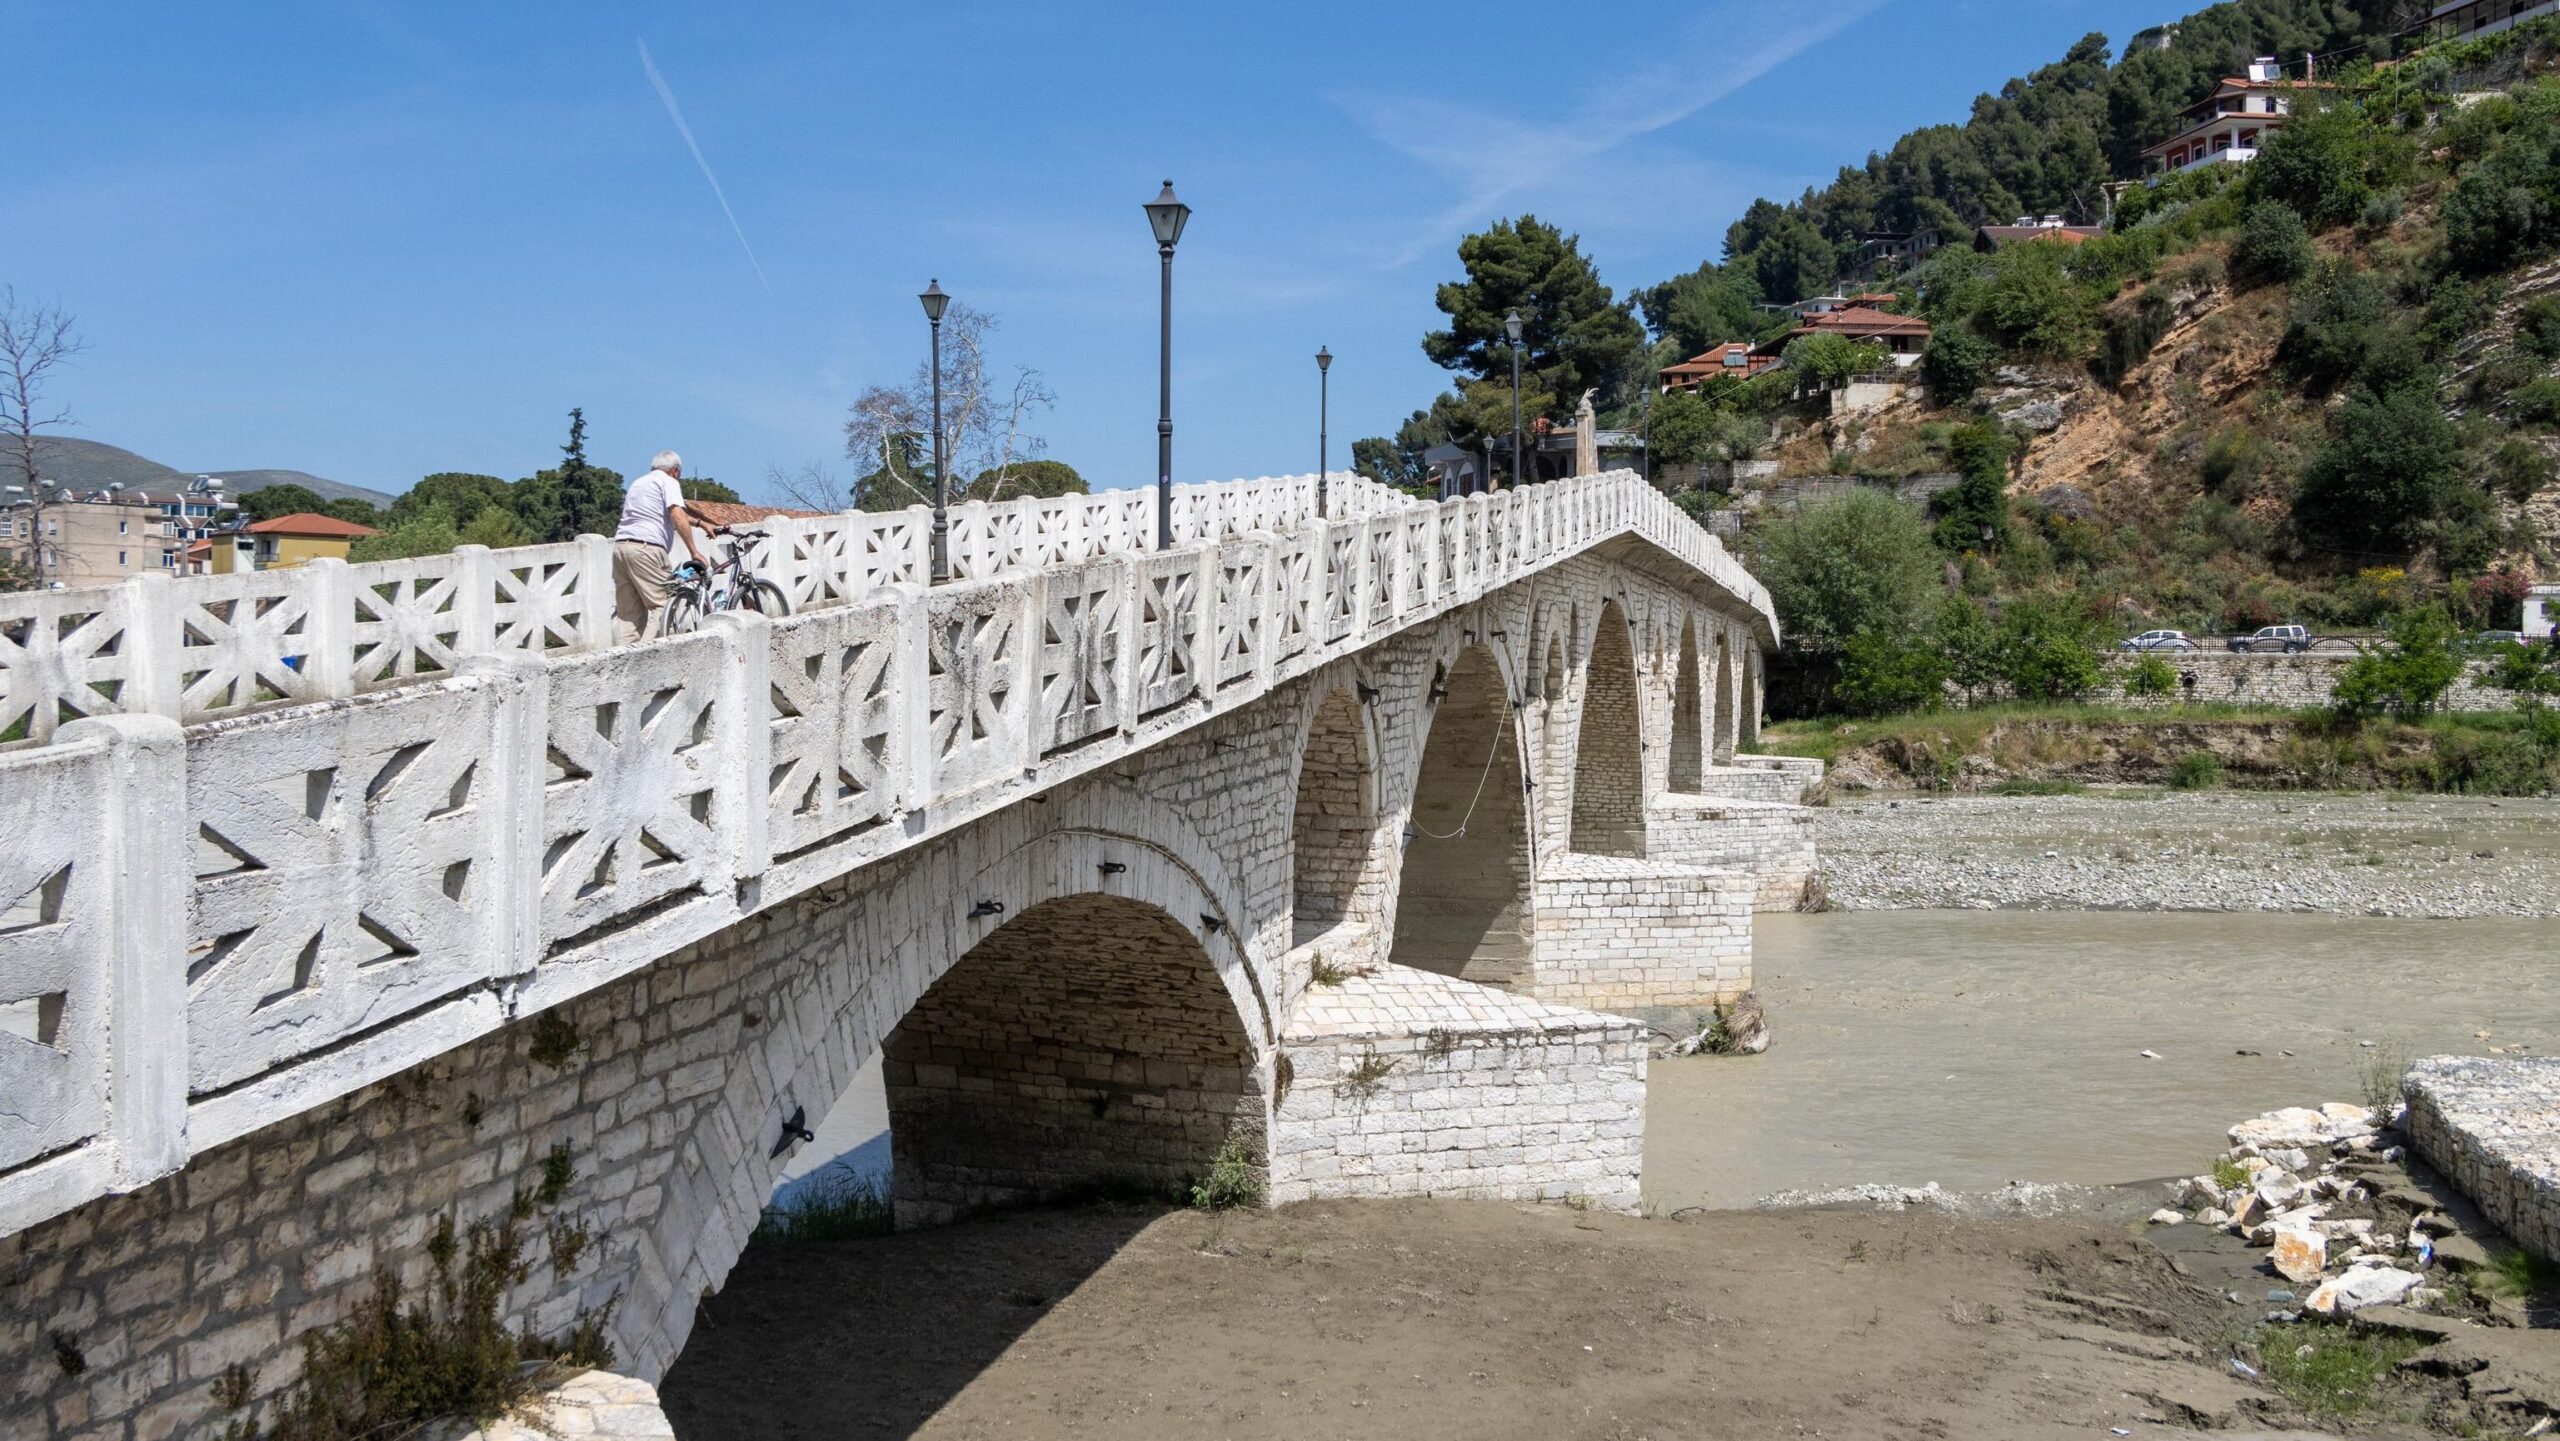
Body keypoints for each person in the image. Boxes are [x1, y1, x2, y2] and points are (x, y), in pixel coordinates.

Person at [612, 450, 713, 643]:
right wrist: (694, 551)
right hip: (647, 549)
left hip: (621, 548)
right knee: (664, 605)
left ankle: (627, 663)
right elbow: (676, 514)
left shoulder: (638, 483)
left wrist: (700, 523)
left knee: (628, 614)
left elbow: (663, 513)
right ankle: (648, 656)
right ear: (675, 471)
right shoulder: (669, 482)